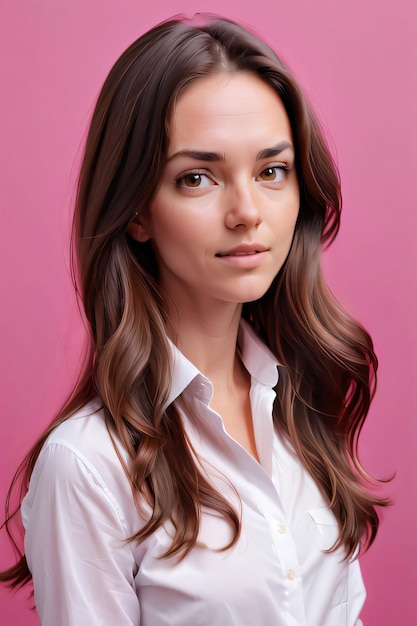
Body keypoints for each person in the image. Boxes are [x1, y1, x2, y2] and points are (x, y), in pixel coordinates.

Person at [1, 15, 388, 626]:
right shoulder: (88, 465)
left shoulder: (300, 405)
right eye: (197, 178)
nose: (247, 212)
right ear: (136, 212)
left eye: (271, 171)